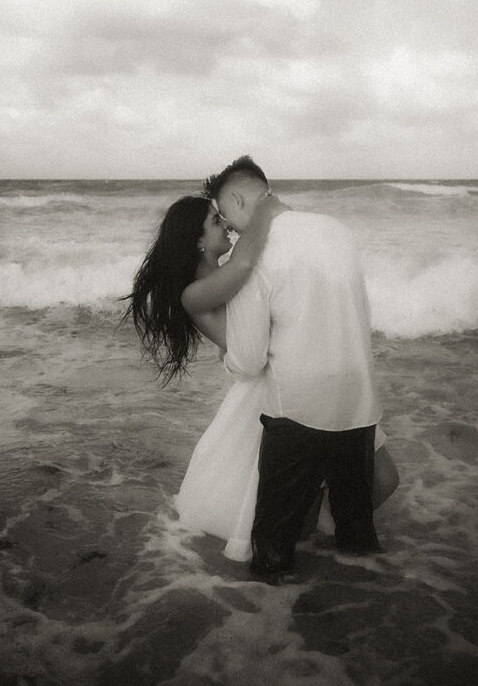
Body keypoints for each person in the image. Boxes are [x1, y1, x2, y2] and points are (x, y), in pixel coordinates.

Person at [125, 186, 398, 564]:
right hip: (273, 394)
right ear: (198, 241)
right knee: (290, 510)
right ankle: (320, 546)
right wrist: (266, 213)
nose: (226, 227)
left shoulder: (234, 275)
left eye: (223, 217)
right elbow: (245, 269)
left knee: (383, 480)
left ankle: (324, 530)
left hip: (302, 378)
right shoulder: (197, 293)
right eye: (215, 221)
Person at [201, 155, 384, 578]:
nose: (230, 229)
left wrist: (226, 356)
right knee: (357, 540)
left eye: (226, 217)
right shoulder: (338, 231)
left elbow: (248, 360)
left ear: (236, 198)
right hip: (359, 406)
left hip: (298, 412)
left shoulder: (256, 252)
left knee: (272, 558)